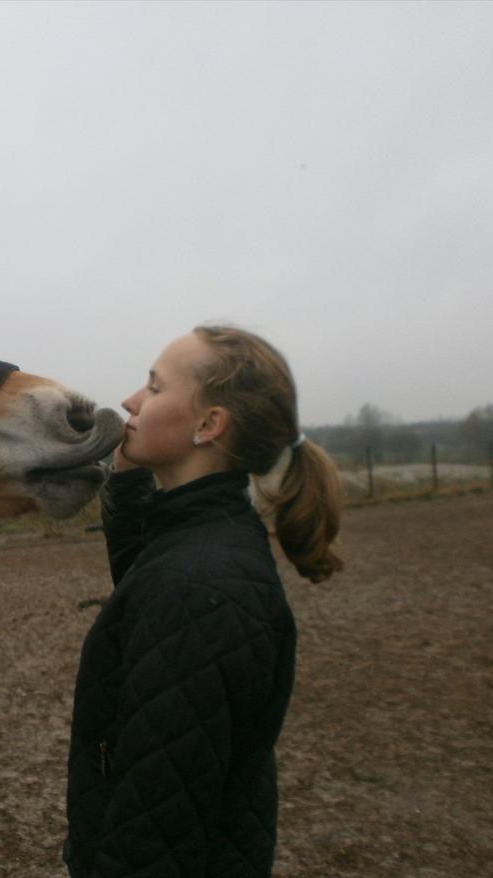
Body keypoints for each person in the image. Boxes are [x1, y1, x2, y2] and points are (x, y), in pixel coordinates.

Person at [63, 325, 343, 877]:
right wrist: (124, 473)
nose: (129, 401)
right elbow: (142, 574)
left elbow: (154, 836)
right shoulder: (202, 542)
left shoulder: (198, 590)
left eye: (154, 386)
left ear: (209, 424)